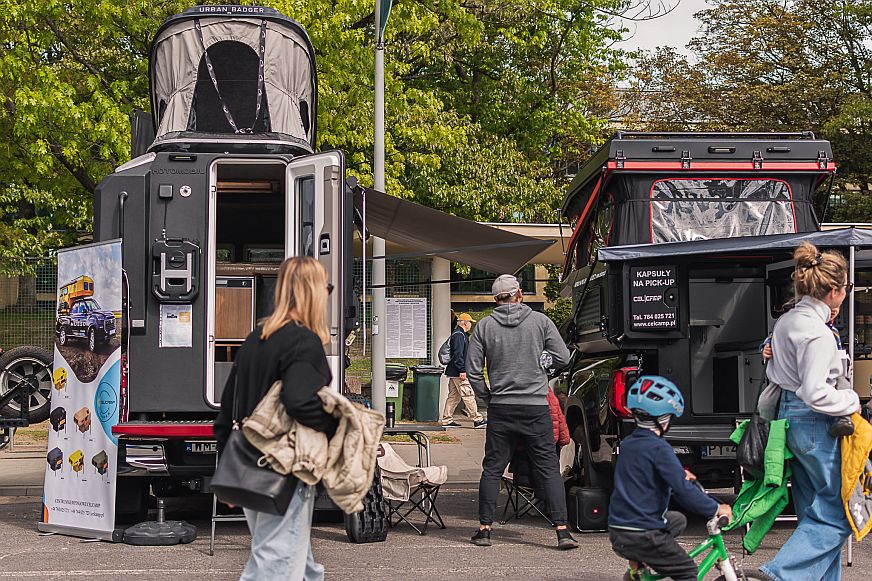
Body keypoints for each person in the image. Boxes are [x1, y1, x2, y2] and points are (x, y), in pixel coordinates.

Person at [214, 257, 337, 581]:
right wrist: (336, 426)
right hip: (284, 469)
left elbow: (227, 412)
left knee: (300, 566)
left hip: (248, 468)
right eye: (326, 288)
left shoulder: (256, 338)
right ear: (312, 291)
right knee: (275, 568)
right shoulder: (303, 341)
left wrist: (229, 474)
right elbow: (298, 401)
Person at [759, 242, 860, 581]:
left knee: (812, 514)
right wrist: (851, 401)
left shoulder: (787, 321)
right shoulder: (818, 334)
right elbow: (815, 392)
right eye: (846, 287)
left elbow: (777, 371)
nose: (846, 293)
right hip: (815, 422)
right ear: (833, 292)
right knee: (838, 513)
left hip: (789, 419)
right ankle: (778, 575)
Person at [466, 274, 578, 549]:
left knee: (493, 468)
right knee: (548, 468)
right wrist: (543, 366)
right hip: (536, 406)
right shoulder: (540, 321)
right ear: (519, 295)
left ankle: (485, 529)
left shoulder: (484, 327)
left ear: (495, 299)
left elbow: (473, 371)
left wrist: (487, 397)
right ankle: (562, 531)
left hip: (501, 408)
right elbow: (563, 357)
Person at [609, 375, 732, 581]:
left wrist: (677, 473)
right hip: (643, 534)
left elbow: (644, 472)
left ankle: (638, 568)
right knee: (687, 572)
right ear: (664, 419)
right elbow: (683, 490)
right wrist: (715, 508)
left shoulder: (629, 444)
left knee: (677, 520)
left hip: (619, 530)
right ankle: (647, 556)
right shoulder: (660, 448)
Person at [762, 305, 854, 437]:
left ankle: (843, 418)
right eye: (831, 307)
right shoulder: (792, 325)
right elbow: (769, 342)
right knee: (765, 402)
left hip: (826, 374)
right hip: (794, 375)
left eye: (838, 308)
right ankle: (765, 428)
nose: (834, 310)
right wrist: (765, 349)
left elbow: (837, 354)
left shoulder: (832, 331)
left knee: (844, 386)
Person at [441, 313, 486, 428]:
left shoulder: (459, 334)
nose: (471, 325)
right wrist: (462, 370)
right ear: (465, 323)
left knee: (454, 396)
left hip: (453, 371)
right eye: (470, 322)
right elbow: (458, 354)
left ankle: (447, 419)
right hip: (458, 372)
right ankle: (477, 419)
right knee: (468, 394)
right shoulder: (459, 335)